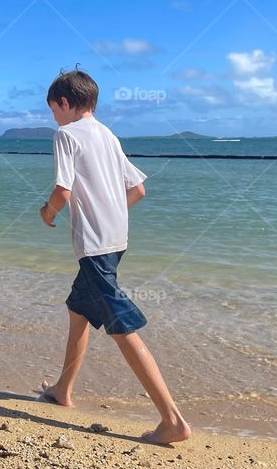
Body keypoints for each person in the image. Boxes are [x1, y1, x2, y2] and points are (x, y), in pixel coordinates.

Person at [38, 69, 191, 445]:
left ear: (64, 102)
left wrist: (48, 212)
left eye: (53, 109)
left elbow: (62, 188)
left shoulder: (66, 134)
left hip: (93, 245)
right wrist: (110, 212)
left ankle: (172, 420)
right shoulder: (107, 133)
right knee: (79, 312)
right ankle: (63, 390)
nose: (53, 117)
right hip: (116, 240)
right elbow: (137, 190)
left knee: (122, 328)